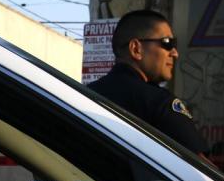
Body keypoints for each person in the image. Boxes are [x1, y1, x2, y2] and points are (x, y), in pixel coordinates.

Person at [88, 10, 208, 156]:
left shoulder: (85, 96)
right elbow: (200, 169)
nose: (175, 53)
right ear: (136, 49)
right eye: (167, 43)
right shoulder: (158, 103)